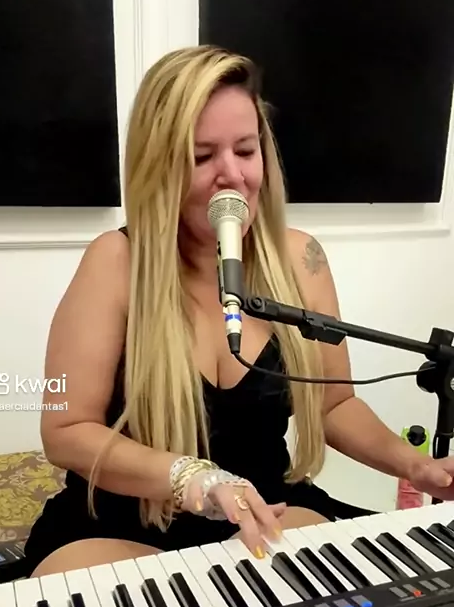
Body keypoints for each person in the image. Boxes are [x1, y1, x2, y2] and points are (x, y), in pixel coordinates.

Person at [24, 44, 454, 579]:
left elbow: (335, 404)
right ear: (158, 166)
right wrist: (193, 478)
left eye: (245, 150)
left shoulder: (302, 259)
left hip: (266, 510)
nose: (232, 175)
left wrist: (416, 465)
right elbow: (66, 430)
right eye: (202, 156)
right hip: (124, 524)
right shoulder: (113, 262)